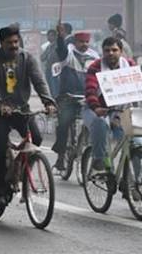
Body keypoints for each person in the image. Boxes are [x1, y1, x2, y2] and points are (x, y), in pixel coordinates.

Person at [0, 26, 56, 208]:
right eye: (10, 43)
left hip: (21, 109)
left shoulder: (27, 58)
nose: (14, 46)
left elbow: (39, 80)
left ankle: (17, 170)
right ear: (2, 44)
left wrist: (48, 101)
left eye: (16, 42)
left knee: (36, 138)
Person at [84, 37, 137, 175]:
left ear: (121, 51)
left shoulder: (130, 65)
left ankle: (136, 180)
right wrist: (96, 108)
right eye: (107, 50)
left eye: (114, 50)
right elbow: (90, 90)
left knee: (136, 142)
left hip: (122, 110)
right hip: (97, 109)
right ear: (102, 52)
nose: (111, 53)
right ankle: (100, 160)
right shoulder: (95, 67)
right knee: (100, 124)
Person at [51, 25, 99, 171]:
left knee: (97, 123)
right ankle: (60, 157)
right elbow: (61, 50)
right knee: (64, 123)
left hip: (88, 98)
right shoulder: (68, 53)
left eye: (86, 42)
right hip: (68, 97)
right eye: (81, 42)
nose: (84, 45)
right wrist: (60, 37)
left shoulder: (95, 56)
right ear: (76, 42)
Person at [40, 29, 59, 97]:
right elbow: (42, 57)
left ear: (55, 36)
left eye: (50, 36)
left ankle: (56, 100)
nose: (48, 37)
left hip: (55, 69)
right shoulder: (48, 46)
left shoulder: (58, 46)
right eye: (48, 36)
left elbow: (55, 57)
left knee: (55, 86)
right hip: (48, 69)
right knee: (51, 86)